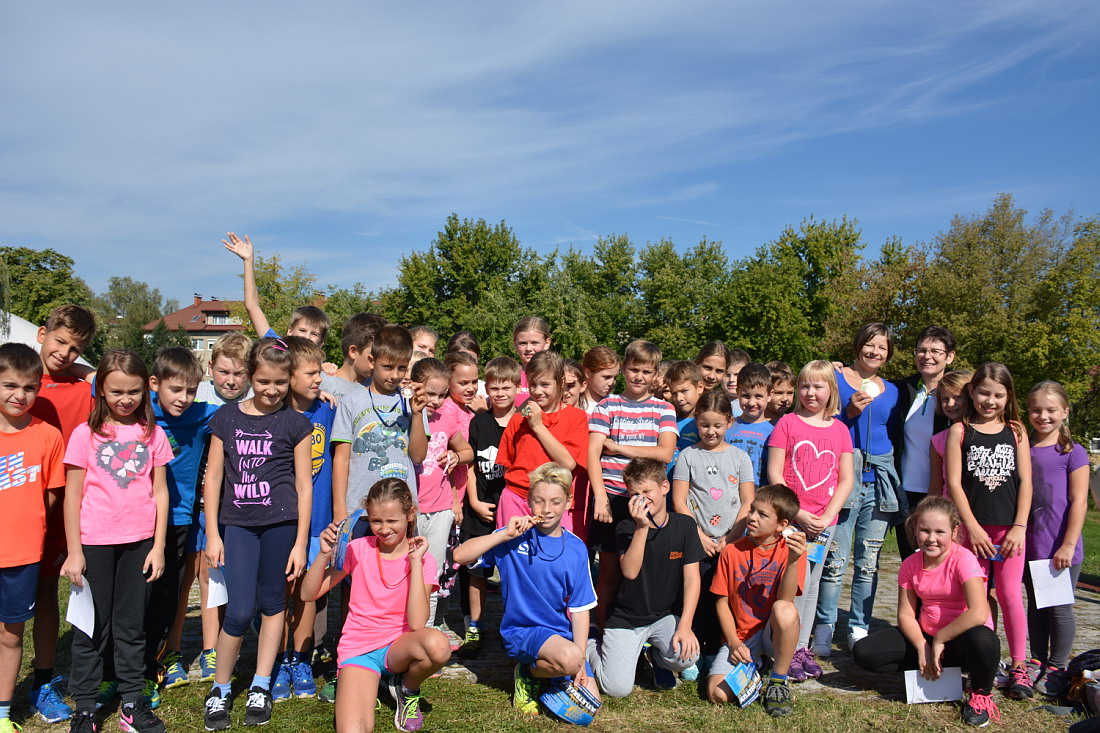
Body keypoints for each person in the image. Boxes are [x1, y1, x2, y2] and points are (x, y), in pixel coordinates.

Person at [202, 339, 313, 729]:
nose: (272, 390)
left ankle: (261, 684)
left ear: (289, 380)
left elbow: (303, 485)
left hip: (282, 526)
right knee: (238, 610)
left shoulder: (296, 423)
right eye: (264, 381)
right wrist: (213, 534)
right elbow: (213, 477)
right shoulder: (226, 418)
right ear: (251, 376)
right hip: (238, 527)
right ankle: (220, 689)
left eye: (280, 382)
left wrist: (301, 543)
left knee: (273, 604)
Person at [60, 350, 171, 733]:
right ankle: (85, 707)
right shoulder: (84, 435)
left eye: (134, 392)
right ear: (101, 391)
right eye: (117, 391)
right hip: (93, 545)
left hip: (139, 544)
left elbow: (160, 493)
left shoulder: (153, 434)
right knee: (91, 627)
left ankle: (132, 703)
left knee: (131, 627)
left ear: (145, 391)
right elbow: (73, 495)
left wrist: (158, 546)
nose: (126, 399)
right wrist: (75, 551)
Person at [301, 479, 450, 733]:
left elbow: (417, 623)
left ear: (410, 514)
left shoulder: (423, 560)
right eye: (376, 521)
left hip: (399, 647)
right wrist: (324, 554)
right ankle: (372, 682)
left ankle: (406, 687)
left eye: (392, 521)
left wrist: (415, 562)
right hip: (360, 649)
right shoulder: (357, 549)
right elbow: (308, 593)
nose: (384, 529)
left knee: (438, 645)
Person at [453, 463, 599, 716]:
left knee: (590, 707)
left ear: (568, 502)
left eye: (555, 502)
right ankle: (528, 673)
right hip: (522, 631)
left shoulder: (576, 548)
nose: (546, 509)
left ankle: (553, 670)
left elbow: (580, 608)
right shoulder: (513, 537)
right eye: (539, 501)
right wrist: (502, 536)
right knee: (569, 660)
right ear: (529, 501)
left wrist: (582, 662)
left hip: (560, 635)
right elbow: (460, 556)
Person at [852, 497, 1002, 727]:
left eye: (940, 532)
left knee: (984, 639)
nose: (931, 538)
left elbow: (979, 612)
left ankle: (980, 695)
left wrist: (941, 638)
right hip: (928, 636)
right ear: (915, 530)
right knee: (864, 652)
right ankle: (934, 670)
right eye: (925, 531)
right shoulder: (910, 564)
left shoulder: (964, 559)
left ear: (954, 532)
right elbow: (905, 615)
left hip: (962, 638)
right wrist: (923, 646)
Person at [945, 362, 1033, 699]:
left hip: (1010, 532)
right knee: (976, 599)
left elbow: (1026, 482)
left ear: (1008, 396)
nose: (990, 401)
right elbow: (954, 483)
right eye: (983, 393)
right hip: (972, 533)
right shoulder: (960, 431)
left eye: (998, 395)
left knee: (1010, 596)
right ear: (971, 391)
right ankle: (986, 664)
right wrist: (971, 528)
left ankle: (1020, 667)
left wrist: (1019, 526)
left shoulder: (1016, 431)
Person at [28, 305, 97, 725]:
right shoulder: (14, 380)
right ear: (42, 333)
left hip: (61, 513)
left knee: (47, 596)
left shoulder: (83, 389)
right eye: (59, 342)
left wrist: (86, 372)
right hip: (13, 509)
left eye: (75, 349)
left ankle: (42, 681)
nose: (65, 353)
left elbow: (119, 381)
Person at [815, 324, 901, 655]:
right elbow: (821, 421)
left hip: (878, 482)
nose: (875, 352)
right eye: (869, 344)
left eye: (882, 348)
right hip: (842, 478)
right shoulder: (835, 378)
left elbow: (893, 433)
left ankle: (858, 627)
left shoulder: (892, 391)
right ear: (858, 345)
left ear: (888, 354)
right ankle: (824, 627)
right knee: (835, 560)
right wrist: (849, 411)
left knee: (868, 561)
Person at [767, 361, 853, 680]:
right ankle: (785, 648)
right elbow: (775, 473)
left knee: (813, 582)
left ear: (831, 390)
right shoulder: (787, 423)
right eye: (805, 386)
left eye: (818, 386)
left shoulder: (840, 430)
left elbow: (846, 479)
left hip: (823, 524)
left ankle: (802, 646)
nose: (810, 392)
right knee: (794, 583)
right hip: (792, 520)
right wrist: (798, 513)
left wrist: (827, 517)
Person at [588, 458, 702, 697]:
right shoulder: (626, 527)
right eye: (634, 494)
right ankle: (590, 643)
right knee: (616, 688)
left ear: (664, 487)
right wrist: (641, 527)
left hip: (663, 616)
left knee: (687, 656)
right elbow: (630, 572)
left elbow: (692, 579)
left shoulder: (685, 525)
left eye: (647, 491)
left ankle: (655, 656)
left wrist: (685, 626)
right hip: (626, 618)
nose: (641, 499)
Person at [144, 348, 219, 702]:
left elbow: (249, 410)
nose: (183, 398)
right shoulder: (140, 410)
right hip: (138, 519)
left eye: (191, 390)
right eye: (175, 390)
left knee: (168, 595)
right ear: (154, 384)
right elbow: (103, 381)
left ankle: (158, 662)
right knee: (138, 598)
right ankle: (123, 668)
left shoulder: (202, 414)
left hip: (179, 520)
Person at [588, 339, 677, 628]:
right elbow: (593, 453)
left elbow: (665, 453)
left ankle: (640, 632)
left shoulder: (664, 409)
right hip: (612, 497)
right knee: (609, 571)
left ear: (656, 375)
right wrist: (601, 498)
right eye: (634, 369)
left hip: (647, 500)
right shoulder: (606, 406)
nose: (639, 377)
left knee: (643, 571)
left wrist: (619, 448)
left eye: (647, 372)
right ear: (624, 368)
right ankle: (603, 630)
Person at [0, 343, 65, 733]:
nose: (19, 395)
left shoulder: (48, 436)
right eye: (10, 385)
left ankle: (2, 713)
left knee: (10, 635)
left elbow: (52, 495)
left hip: (22, 555)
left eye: (28, 387)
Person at [271, 337, 337, 701]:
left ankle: (300, 659)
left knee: (307, 595)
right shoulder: (274, 413)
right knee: (281, 594)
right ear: (290, 375)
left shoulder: (327, 409)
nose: (318, 379)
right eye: (310, 373)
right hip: (282, 521)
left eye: (319, 372)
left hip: (319, 522)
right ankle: (279, 658)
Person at [706, 485, 807, 718]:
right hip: (742, 636)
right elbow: (721, 602)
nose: (752, 517)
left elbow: (786, 600)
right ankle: (759, 667)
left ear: (782, 525)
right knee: (717, 694)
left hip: (772, 633)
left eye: (762, 514)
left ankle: (778, 681)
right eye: (752, 510)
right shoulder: (732, 551)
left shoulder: (792, 550)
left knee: (784, 609)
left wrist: (793, 560)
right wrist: (733, 643)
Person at [672, 391, 755, 670]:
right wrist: (700, 537)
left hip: (731, 543)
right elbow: (679, 501)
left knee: (724, 597)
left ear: (729, 422)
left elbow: (747, 502)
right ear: (697, 421)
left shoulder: (740, 458)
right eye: (704, 425)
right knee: (695, 595)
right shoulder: (688, 456)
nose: (711, 431)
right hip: (697, 542)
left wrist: (730, 538)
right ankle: (691, 649)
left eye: (718, 425)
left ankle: (716, 648)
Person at [1024, 381, 1088, 691]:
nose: (1043, 416)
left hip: (1060, 545)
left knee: (1059, 608)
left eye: (1051, 410)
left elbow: (1079, 501)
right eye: (1036, 410)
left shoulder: (1072, 452)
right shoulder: (1022, 447)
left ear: (1064, 412)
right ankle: (1037, 659)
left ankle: (1058, 666)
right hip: (1029, 544)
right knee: (1036, 606)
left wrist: (1068, 544)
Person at [458, 357, 521, 659]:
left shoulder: (523, 423)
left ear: (517, 387)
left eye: (506, 387)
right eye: (494, 388)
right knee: (477, 571)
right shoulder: (479, 422)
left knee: (514, 571)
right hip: (481, 506)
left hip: (513, 508)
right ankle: (475, 626)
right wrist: (473, 501)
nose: (500, 393)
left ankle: (515, 626)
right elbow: (470, 466)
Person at [331, 325, 427, 523]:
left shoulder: (414, 401)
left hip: (400, 513)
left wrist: (417, 414)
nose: (395, 375)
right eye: (388, 367)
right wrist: (340, 510)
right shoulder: (351, 402)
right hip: (359, 512)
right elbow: (341, 460)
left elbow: (418, 457)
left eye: (402, 368)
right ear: (372, 361)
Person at [409, 357, 473, 626]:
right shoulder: (404, 418)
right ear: (414, 387)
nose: (435, 401)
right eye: (430, 394)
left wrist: (456, 457)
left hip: (440, 509)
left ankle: (427, 628)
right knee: (406, 572)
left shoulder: (445, 421)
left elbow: (468, 451)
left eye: (442, 395)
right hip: (409, 510)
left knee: (431, 575)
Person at [495, 351, 588, 530]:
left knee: (552, 547)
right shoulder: (518, 419)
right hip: (517, 499)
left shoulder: (576, 417)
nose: (537, 391)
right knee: (513, 547)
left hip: (552, 502)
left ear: (560, 382)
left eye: (545, 384)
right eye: (533, 384)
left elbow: (568, 463)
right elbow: (508, 464)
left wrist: (537, 426)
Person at [889, 326, 956, 558]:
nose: (927, 356)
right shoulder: (902, 390)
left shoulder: (961, 394)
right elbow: (866, 382)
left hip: (945, 493)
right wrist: (838, 370)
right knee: (911, 561)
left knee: (943, 562)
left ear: (950, 356)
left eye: (936, 351)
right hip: (905, 492)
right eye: (922, 350)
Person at [222, 232, 329, 346]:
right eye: (302, 330)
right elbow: (253, 307)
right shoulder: (279, 348)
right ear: (290, 331)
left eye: (314, 334)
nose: (306, 337)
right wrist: (248, 260)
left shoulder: (321, 358)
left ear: (321, 342)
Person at [724, 363, 775, 486]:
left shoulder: (775, 431)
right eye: (746, 396)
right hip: (729, 492)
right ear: (737, 392)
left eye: (758, 396)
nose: (752, 402)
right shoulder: (727, 427)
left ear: (770, 395)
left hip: (761, 494)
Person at [320, 312, 387, 402]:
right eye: (374, 357)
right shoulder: (321, 382)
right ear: (353, 352)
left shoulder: (380, 387)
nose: (380, 363)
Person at [927, 370, 973, 498]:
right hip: (950, 506)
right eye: (945, 399)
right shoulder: (938, 440)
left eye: (957, 397)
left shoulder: (989, 432)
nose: (950, 404)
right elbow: (935, 486)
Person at [196, 332, 253, 406]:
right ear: (211, 368)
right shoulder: (194, 394)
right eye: (224, 372)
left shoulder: (258, 400)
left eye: (238, 374)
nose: (231, 382)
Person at [665, 361, 705, 463]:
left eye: (684, 391)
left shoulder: (706, 423)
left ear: (700, 387)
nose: (679, 398)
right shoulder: (670, 419)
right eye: (674, 393)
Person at [511, 317, 552, 407]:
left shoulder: (557, 375)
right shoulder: (508, 375)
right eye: (523, 343)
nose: (528, 348)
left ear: (547, 343)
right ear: (515, 343)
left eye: (534, 343)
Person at [581, 346, 619, 415]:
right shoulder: (576, 404)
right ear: (588, 373)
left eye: (615, 378)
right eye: (607, 377)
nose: (611, 383)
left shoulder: (617, 405)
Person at [721, 349, 751, 416]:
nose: (731, 379)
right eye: (727, 375)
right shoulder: (714, 402)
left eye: (737, 375)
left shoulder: (753, 405)